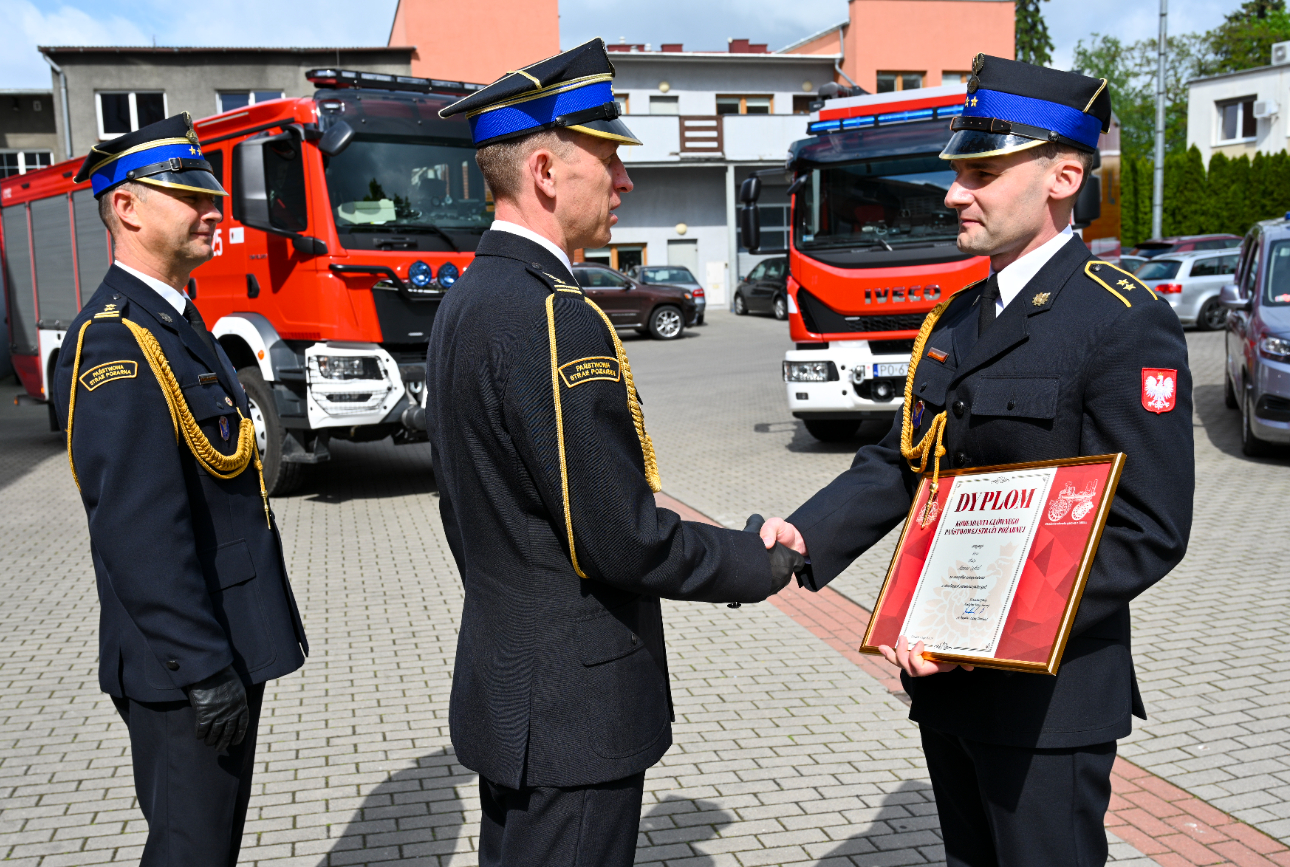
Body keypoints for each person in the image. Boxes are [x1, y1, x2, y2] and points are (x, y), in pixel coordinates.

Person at [759, 55, 1194, 866]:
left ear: (1065, 175)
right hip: (948, 683)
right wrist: (805, 536)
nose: (955, 192)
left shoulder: (1120, 320)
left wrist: (979, 624)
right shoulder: (960, 315)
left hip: (1045, 700)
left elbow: (1149, 526)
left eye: (982, 172)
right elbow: (901, 462)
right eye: (958, 171)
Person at [427, 39, 804, 867]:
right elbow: (622, 536)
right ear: (547, 172)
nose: (626, 181)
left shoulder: (465, 302)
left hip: (514, 689)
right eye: (610, 159)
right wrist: (757, 561)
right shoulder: (554, 314)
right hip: (574, 712)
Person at [54, 113, 308, 867]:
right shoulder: (115, 341)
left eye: (211, 189)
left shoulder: (177, 321)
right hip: (185, 664)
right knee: (190, 851)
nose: (213, 207)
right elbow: (137, 533)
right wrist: (202, 668)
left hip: (222, 643)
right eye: (187, 191)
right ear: (126, 207)